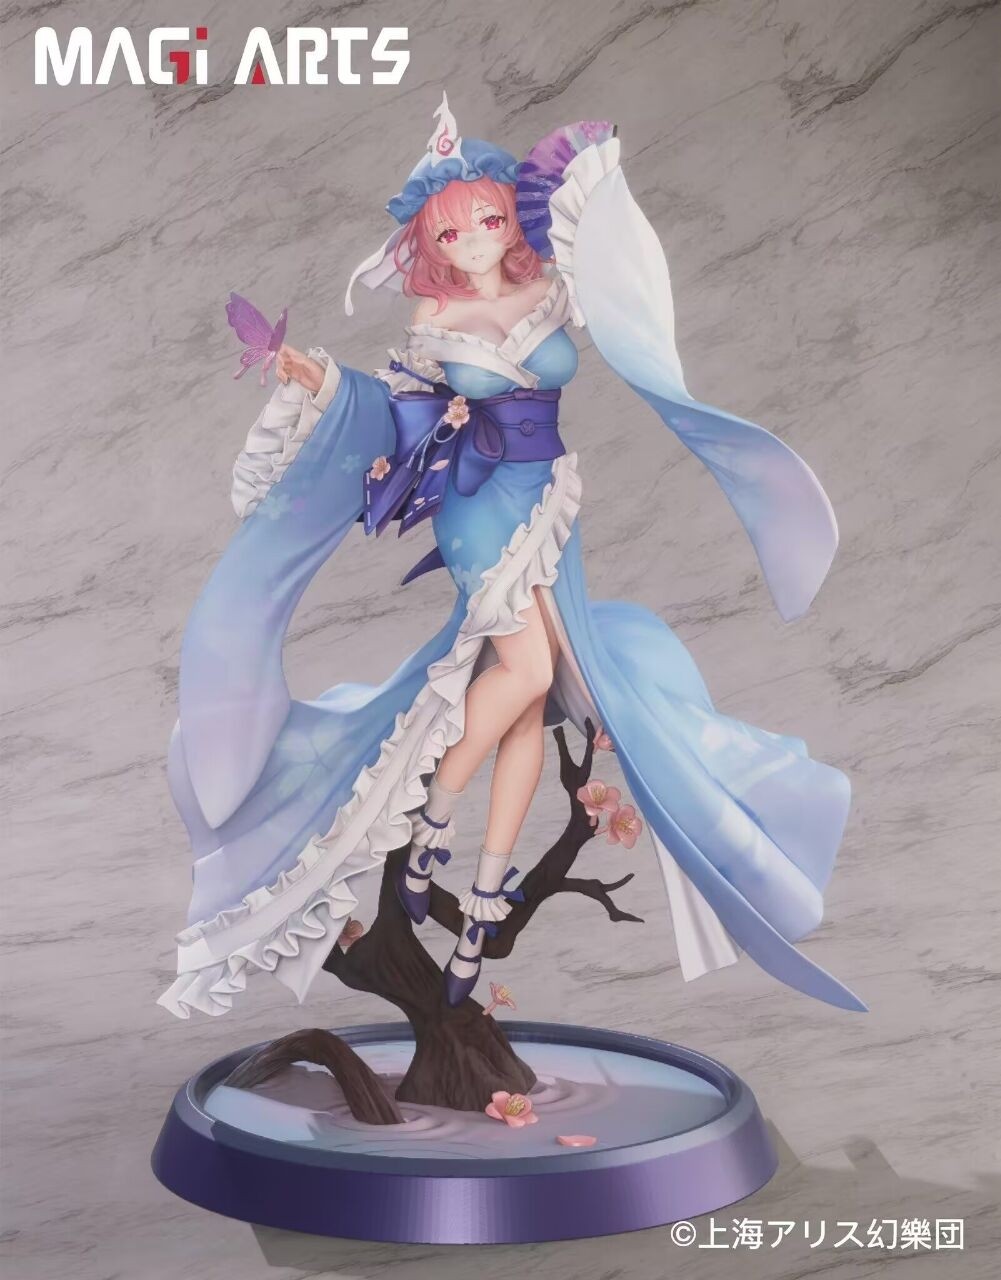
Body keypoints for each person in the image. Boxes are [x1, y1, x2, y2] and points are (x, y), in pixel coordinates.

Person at [158, 95, 866, 1019]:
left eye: (487, 222)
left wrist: (608, 224)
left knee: (529, 700)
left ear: (510, 220)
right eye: (448, 233)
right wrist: (322, 380)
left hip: (551, 501)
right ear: (428, 243)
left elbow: (624, 304)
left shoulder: (553, 290)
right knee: (527, 667)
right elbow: (400, 411)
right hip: (477, 508)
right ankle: (429, 831)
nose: (470, 243)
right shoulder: (433, 315)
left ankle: (484, 893)